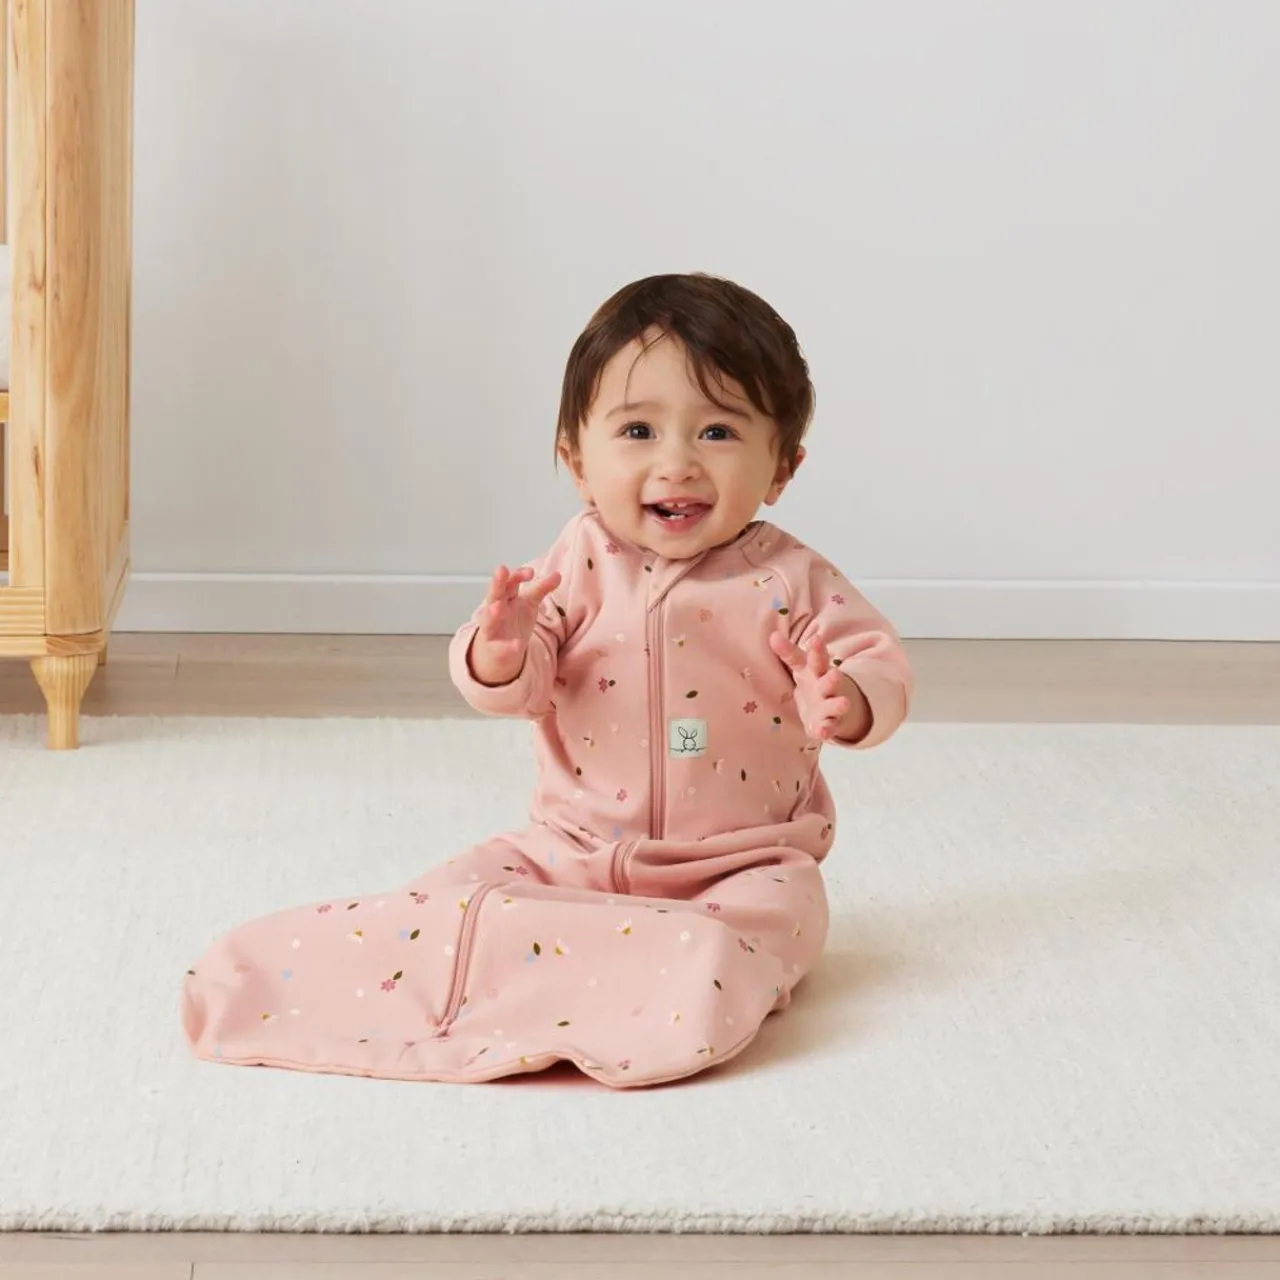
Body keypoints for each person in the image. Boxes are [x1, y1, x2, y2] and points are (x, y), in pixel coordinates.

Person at [182, 273, 913, 1088]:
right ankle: (525, 970)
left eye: (717, 432)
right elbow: (517, 680)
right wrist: (500, 650)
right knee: (450, 899)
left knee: (749, 938)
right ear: (577, 461)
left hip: (739, 870)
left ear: (781, 466)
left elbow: (876, 662)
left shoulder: (790, 580)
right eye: (637, 430)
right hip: (569, 857)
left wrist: (846, 698)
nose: (677, 463)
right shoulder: (577, 563)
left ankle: (606, 972)